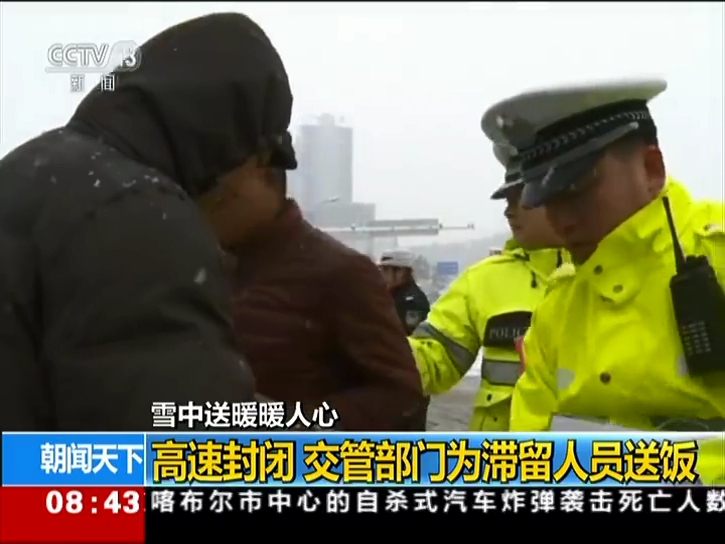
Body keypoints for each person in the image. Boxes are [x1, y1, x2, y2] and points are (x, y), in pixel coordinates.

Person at [0, 13, 300, 431]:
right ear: (234, 147)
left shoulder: (29, 169)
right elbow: (178, 442)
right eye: (261, 164)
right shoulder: (138, 214)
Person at [484, 79, 725, 482]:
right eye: (546, 199)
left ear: (651, 169)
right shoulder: (556, 313)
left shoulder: (716, 254)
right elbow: (529, 460)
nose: (561, 219)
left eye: (576, 188)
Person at [228, 170, 427, 431]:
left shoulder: (349, 275)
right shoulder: (203, 263)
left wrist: (297, 424)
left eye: (390, 270)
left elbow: (399, 390)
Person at [409, 142, 565, 431]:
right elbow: (433, 358)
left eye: (518, 198)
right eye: (506, 201)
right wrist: (368, 346)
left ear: (555, 192)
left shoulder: (611, 269)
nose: (508, 212)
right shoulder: (483, 280)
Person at [378, 249, 431, 335]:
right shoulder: (386, 295)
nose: (381, 273)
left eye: (386, 269)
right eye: (380, 269)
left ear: (401, 272)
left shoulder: (413, 302)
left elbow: (408, 333)